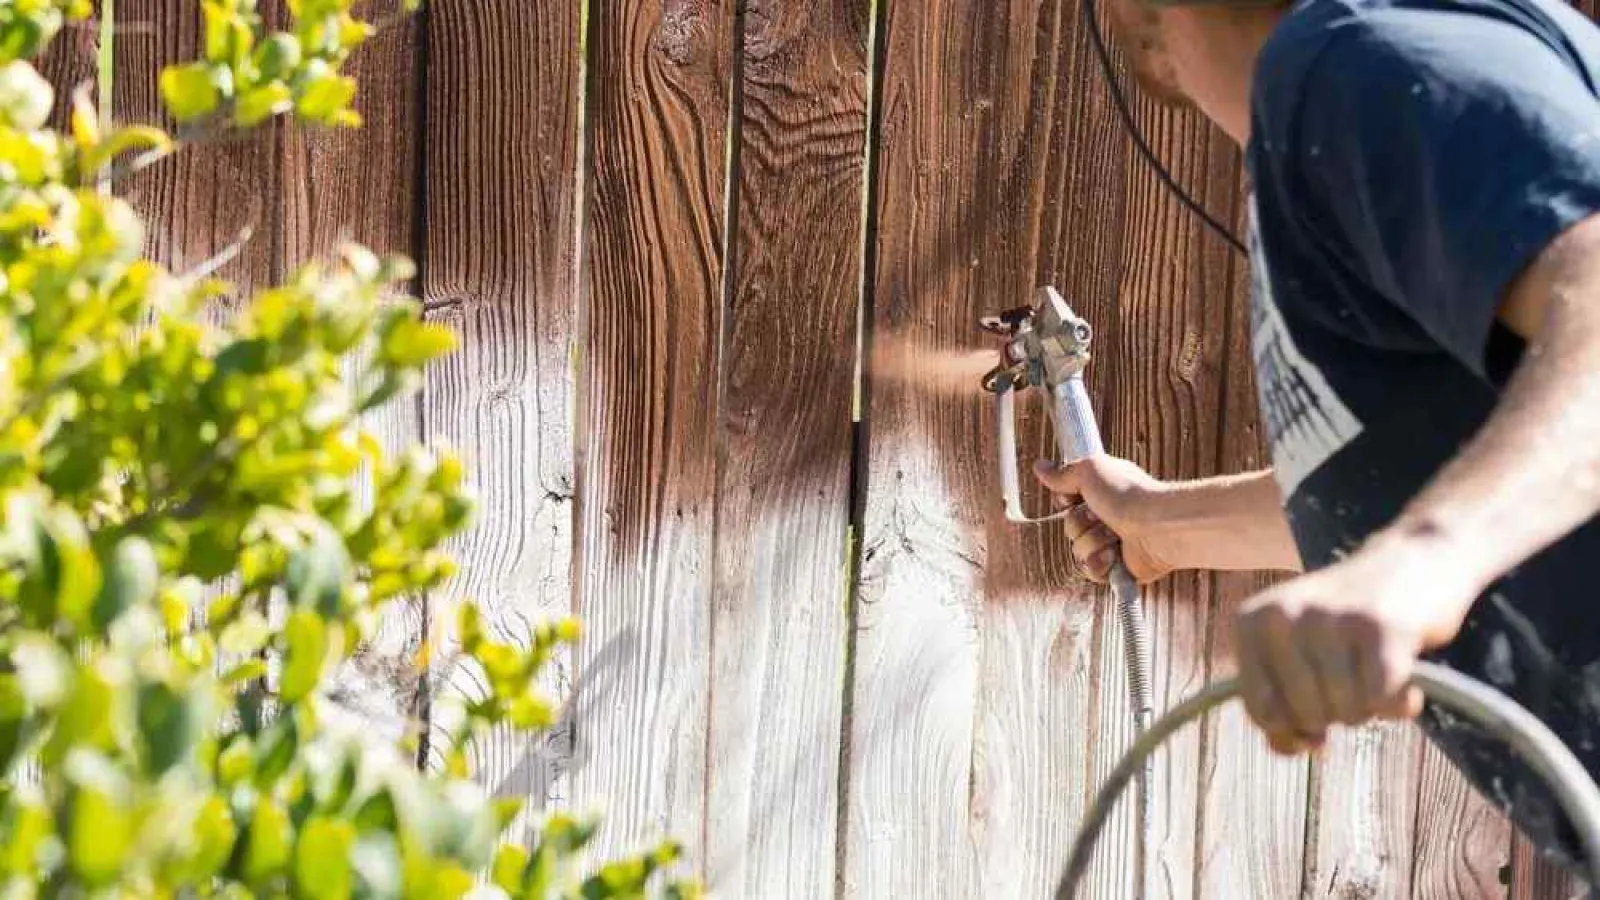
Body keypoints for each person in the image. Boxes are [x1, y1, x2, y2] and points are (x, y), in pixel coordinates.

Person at [1035, 0, 1600, 874]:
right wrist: (1159, 523)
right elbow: (1456, 469)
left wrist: (1424, 561)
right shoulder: (1362, 94)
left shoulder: (1351, 64)